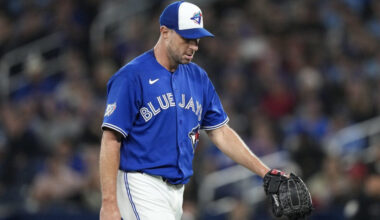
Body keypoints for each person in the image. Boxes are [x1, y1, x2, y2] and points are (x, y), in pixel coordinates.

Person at [99, 1, 271, 219]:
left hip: (177, 192)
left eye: (196, 39)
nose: (193, 46)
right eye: (186, 38)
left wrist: (265, 172)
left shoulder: (198, 77)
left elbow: (221, 132)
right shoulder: (132, 76)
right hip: (140, 183)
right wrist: (108, 202)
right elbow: (111, 139)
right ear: (165, 32)